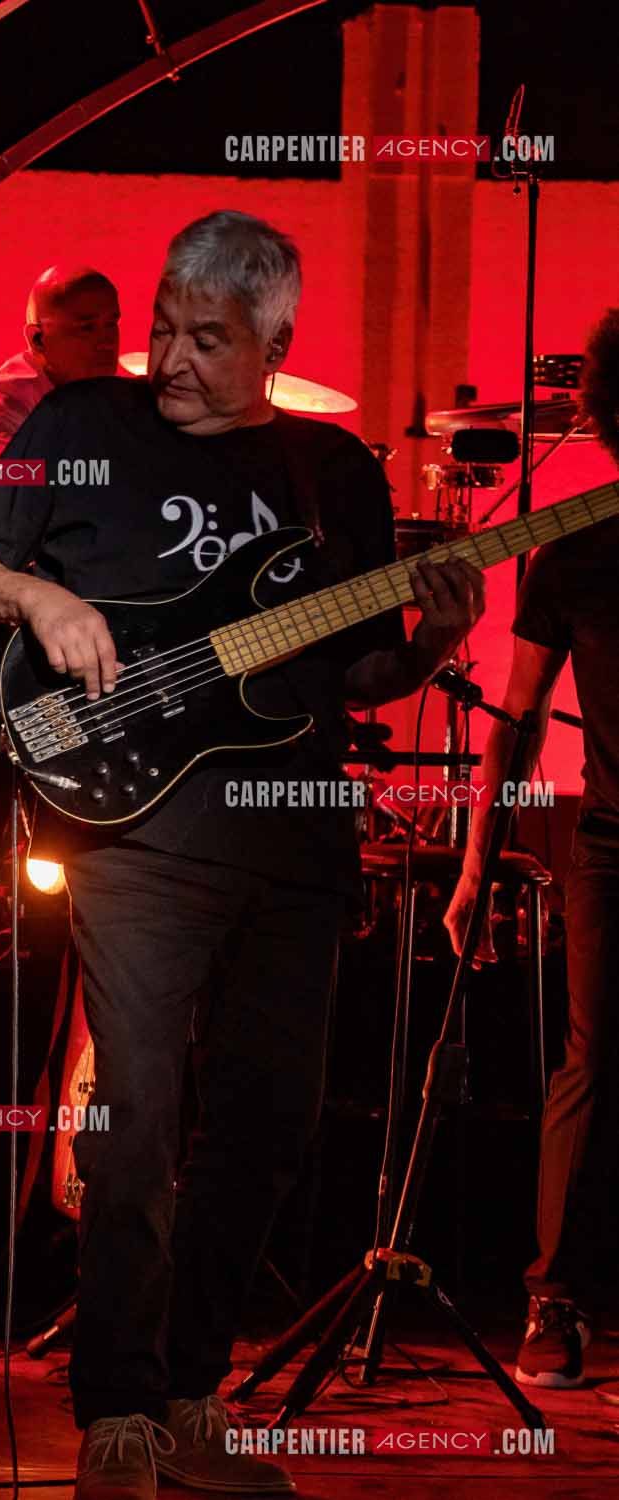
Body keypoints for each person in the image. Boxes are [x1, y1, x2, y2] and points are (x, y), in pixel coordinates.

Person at [0, 210, 486, 1500]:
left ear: (275, 345)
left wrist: (437, 646)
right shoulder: (78, 429)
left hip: (296, 836)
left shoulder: (333, 473)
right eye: (162, 326)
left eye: (204, 339)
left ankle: (187, 1392)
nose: (167, 357)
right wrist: (40, 595)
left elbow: (356, 675)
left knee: (271, 1121)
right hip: (138, 830)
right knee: (133, 1117)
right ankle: (115, 1403)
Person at [444, 305, 619, 1391]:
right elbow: (510, 716)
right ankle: (553, 1301)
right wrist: (472, 863)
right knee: (595, 1062)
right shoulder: (577, 550)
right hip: (612, 839)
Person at [0, 264, 123, 524]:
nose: (107, 342)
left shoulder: (109, 401)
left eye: (112, 324)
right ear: (38, 338)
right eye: (87, 327)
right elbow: (15, 499)